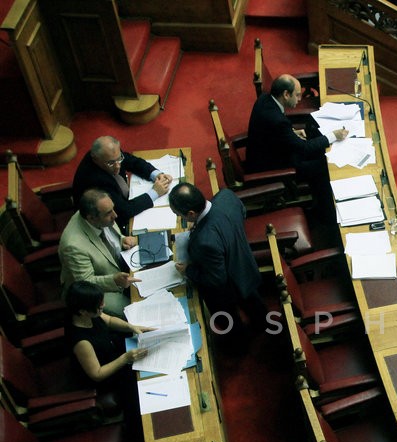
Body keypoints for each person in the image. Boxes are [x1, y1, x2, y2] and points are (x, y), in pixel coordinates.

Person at [170, 182, 267, 342]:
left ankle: (239, 344)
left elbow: (216, 279)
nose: (180, 218)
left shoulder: (205, 241)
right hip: (245, 264)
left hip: (228, 288)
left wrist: (188, 270)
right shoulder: (225, 196)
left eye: (180, 215)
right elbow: (242, 212)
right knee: (254, 305)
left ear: (192, 214)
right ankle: (262, 325)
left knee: (230, 322)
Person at [246, 74, 349, 221]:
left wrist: (291, 132)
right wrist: (333, 136)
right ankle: (325, 214)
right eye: (297, 95)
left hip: (270, 149)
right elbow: (303, 148)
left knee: (317, 143)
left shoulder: (265, 99)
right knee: (324, 166)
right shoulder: (277, 121)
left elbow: (272, 130)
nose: (300, 99)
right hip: (273, 166)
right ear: (286, 94)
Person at [65, 281, 151, 415]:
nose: (103, 306)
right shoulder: (81, 342)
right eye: (99, 307)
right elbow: (97, 374)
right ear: (83, 311)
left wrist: (131, 326)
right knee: (138, 382)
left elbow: (110, 320)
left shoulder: (89, 315)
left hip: (111, 350)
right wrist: (125, 358)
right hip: (105, 374)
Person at [60, 189, 141, 318]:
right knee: (135, 310)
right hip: (93, 291)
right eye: (109, 213)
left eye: (113, 209)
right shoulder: (73, 246)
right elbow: (85, 282)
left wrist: (122, 240)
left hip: (117, 270)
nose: (115, 215)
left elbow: (110, 236)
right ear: (91, 218)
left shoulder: (101, 216)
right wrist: (113, 280)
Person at [72, 136, 174, 226]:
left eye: (119, 158)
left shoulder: (110, 155)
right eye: (111, 163)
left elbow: (132, 162)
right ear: (95, 159)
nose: (118, 166)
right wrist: (155, 192)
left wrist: (156, 174)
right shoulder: (96, 182)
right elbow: (124, 211)